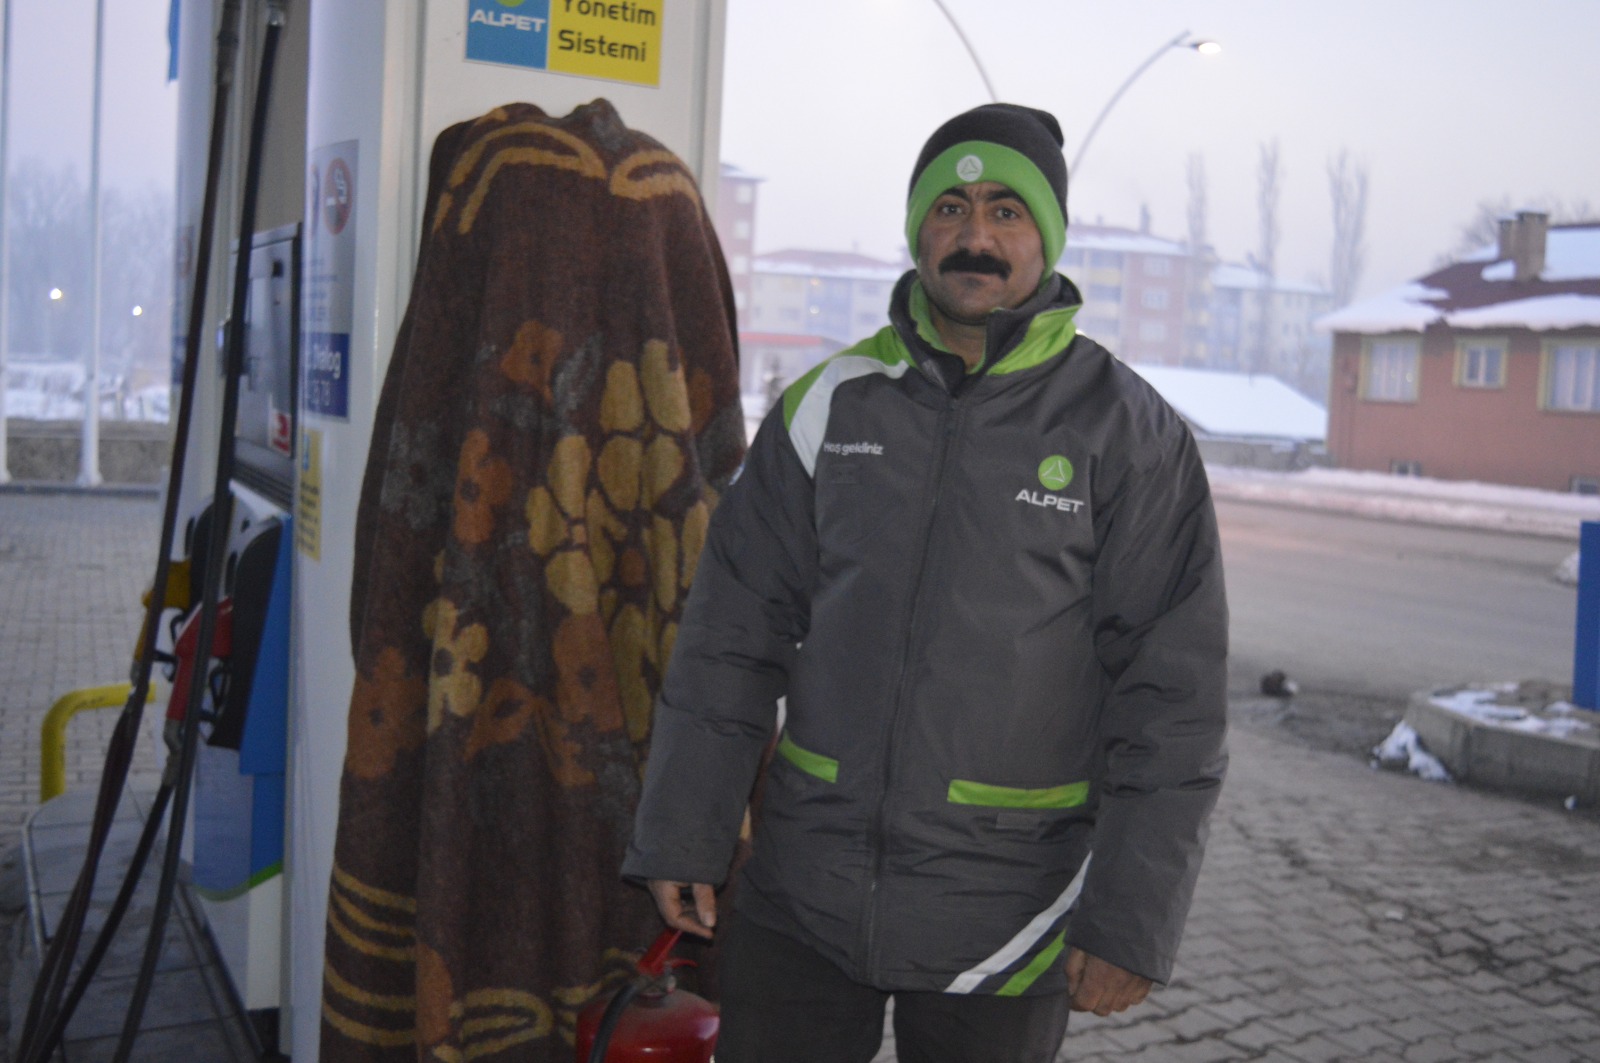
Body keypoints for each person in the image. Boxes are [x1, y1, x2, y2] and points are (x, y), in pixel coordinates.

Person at [623, 103, 1228, 1063]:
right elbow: (729, 637)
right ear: (917, 231)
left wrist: (1131, 918)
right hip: (804, 895)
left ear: (1047, 236)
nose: (975, 235)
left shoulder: (1129, 434)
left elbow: (1174, 700)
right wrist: (684, 830)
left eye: (1006, 211)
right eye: (950, 208)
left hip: (1010, 915)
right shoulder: (827, 406)